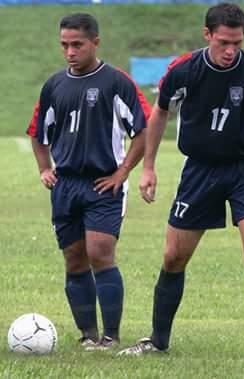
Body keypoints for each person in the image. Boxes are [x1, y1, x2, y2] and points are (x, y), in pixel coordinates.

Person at [118, 3, 244, 361]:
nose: (230, 51)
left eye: (237, 44)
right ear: (207, 34)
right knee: (174, 256)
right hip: (200, 170)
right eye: (223, 42)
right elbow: (160, 111)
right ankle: (158, 341)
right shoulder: (183, 71)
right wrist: (148, 167)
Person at [27, 13, 150, 350]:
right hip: (65, 185)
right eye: (65, 45)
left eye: (77, 45)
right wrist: (43, 168)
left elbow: (143, 130)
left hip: (103, 185)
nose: (70, 51)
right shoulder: (54, 85)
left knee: (100, 253)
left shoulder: (116, 82)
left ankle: (110, 337)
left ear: (95, 42)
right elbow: (38, 132)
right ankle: (88, 336)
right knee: (74, 259)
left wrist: (123, 172)